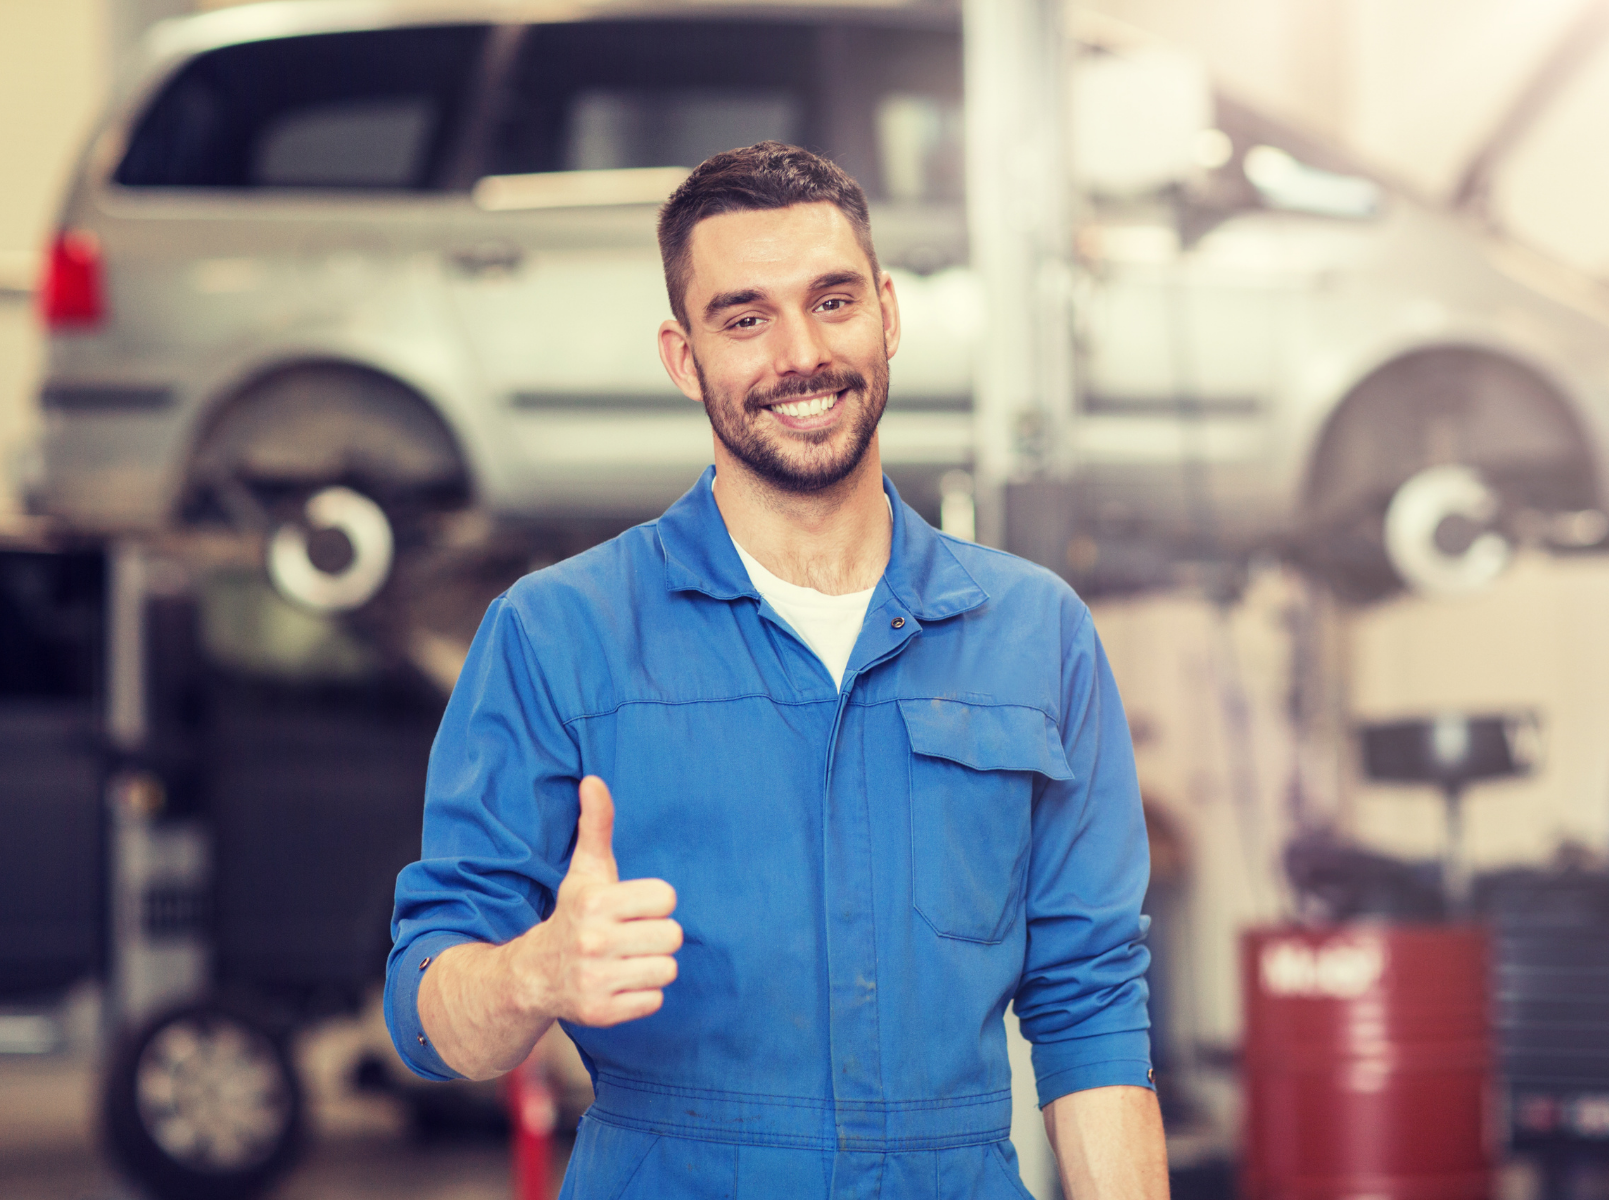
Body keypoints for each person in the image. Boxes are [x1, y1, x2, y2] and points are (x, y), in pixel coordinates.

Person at [385, 142, 1166, 1200]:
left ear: (887, 314)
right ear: (683, 358)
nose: (801, 354)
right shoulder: (558, 634)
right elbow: (430, 1014)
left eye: (832, 302)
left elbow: (1092, 1008)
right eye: (744, 319)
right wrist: (532, 973)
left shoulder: (1035, 633)